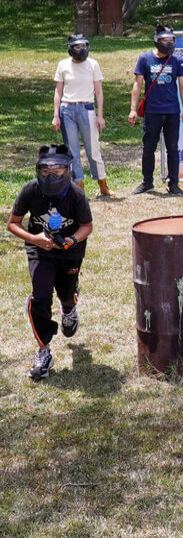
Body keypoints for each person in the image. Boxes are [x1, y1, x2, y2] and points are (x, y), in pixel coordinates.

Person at [6, 145, 94, 381]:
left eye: (58, 170)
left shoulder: (76, 194)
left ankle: (68, 307)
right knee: (40, 296)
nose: (52, 176)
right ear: (38, 171)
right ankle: (43, 350)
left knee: (65, 292)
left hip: (70, 253)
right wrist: (35, 239)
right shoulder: (30, 191)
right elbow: (13, 223)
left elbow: (87, 226)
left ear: (68, 170)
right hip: (40, 252)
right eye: (45, 171)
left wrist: (71, 240)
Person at [128, 25, 183, 196]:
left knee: (173, 148)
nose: (169, 43)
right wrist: (133, 109)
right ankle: (147, 182)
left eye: (171, 40)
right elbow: (137, 85)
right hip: (152, 111)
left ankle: (174, 183)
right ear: (157, 41)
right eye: (165, 40)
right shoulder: (145, 59)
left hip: (172, 111)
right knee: (148, 148)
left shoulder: (177, 61)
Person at [53, 34, 114, 196]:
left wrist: (100, 116)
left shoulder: (93, 65)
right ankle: (78, 185)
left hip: (87, 109)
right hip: (67, 109)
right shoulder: (63, 65)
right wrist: (55, 115)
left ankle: (102, 183)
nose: (81, 50)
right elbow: (58, 91)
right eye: (77, 47)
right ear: (70, 48)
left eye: (84, 46)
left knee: (93, 148)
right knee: (72, 151)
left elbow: (99, 91)